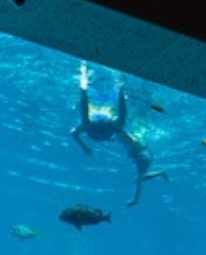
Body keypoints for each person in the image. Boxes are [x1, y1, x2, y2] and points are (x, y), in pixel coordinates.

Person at [69, 63, 167, 206]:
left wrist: (85, 148)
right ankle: (115, 86)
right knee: (139, 177)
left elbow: (78, 127)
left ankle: (116, 86)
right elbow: (119, 115)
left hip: (138, 151)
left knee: (139, 177)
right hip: (138, 151)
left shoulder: (105, 128)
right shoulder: (110, 128)